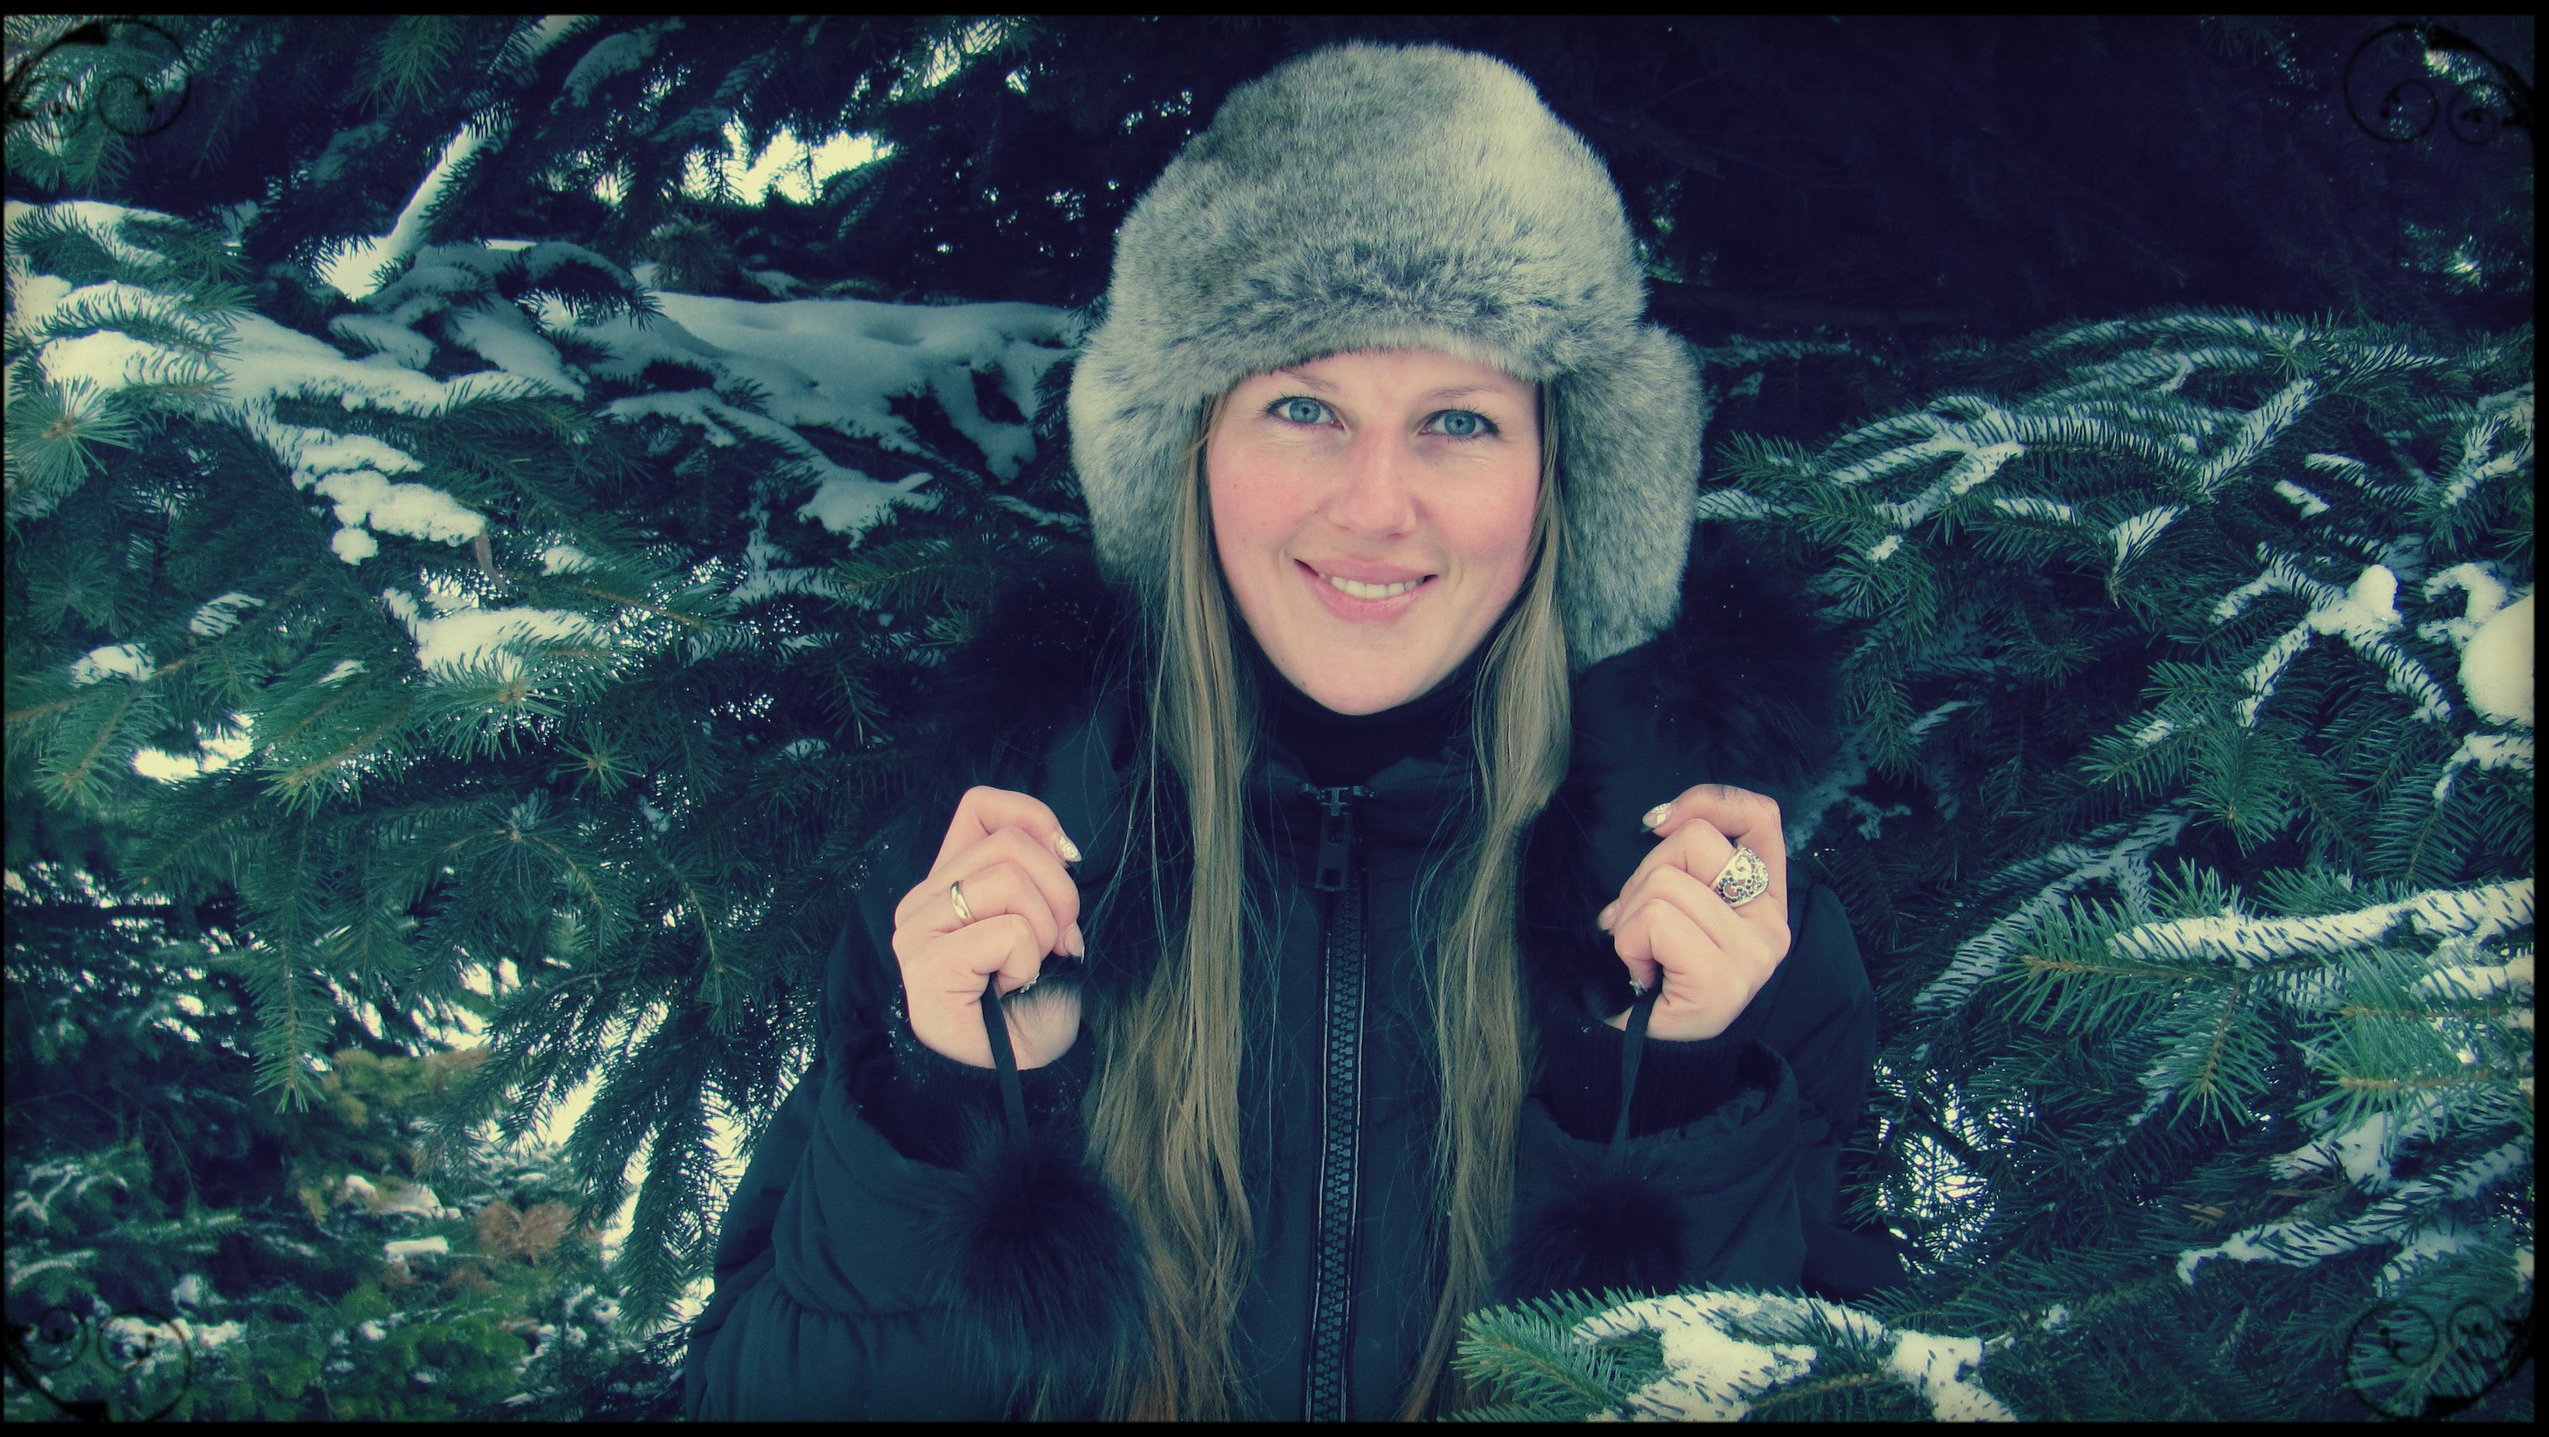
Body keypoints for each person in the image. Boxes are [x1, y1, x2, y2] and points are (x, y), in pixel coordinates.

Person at [682, 41, 1893, 1421]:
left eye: (1459, 420)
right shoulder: (997, 860)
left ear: (1560, 482)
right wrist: (952, 1098)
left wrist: (1672, 1093)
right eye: (1304, 407)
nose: (1376, 507)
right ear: (1190, 454)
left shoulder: (1718, 911)